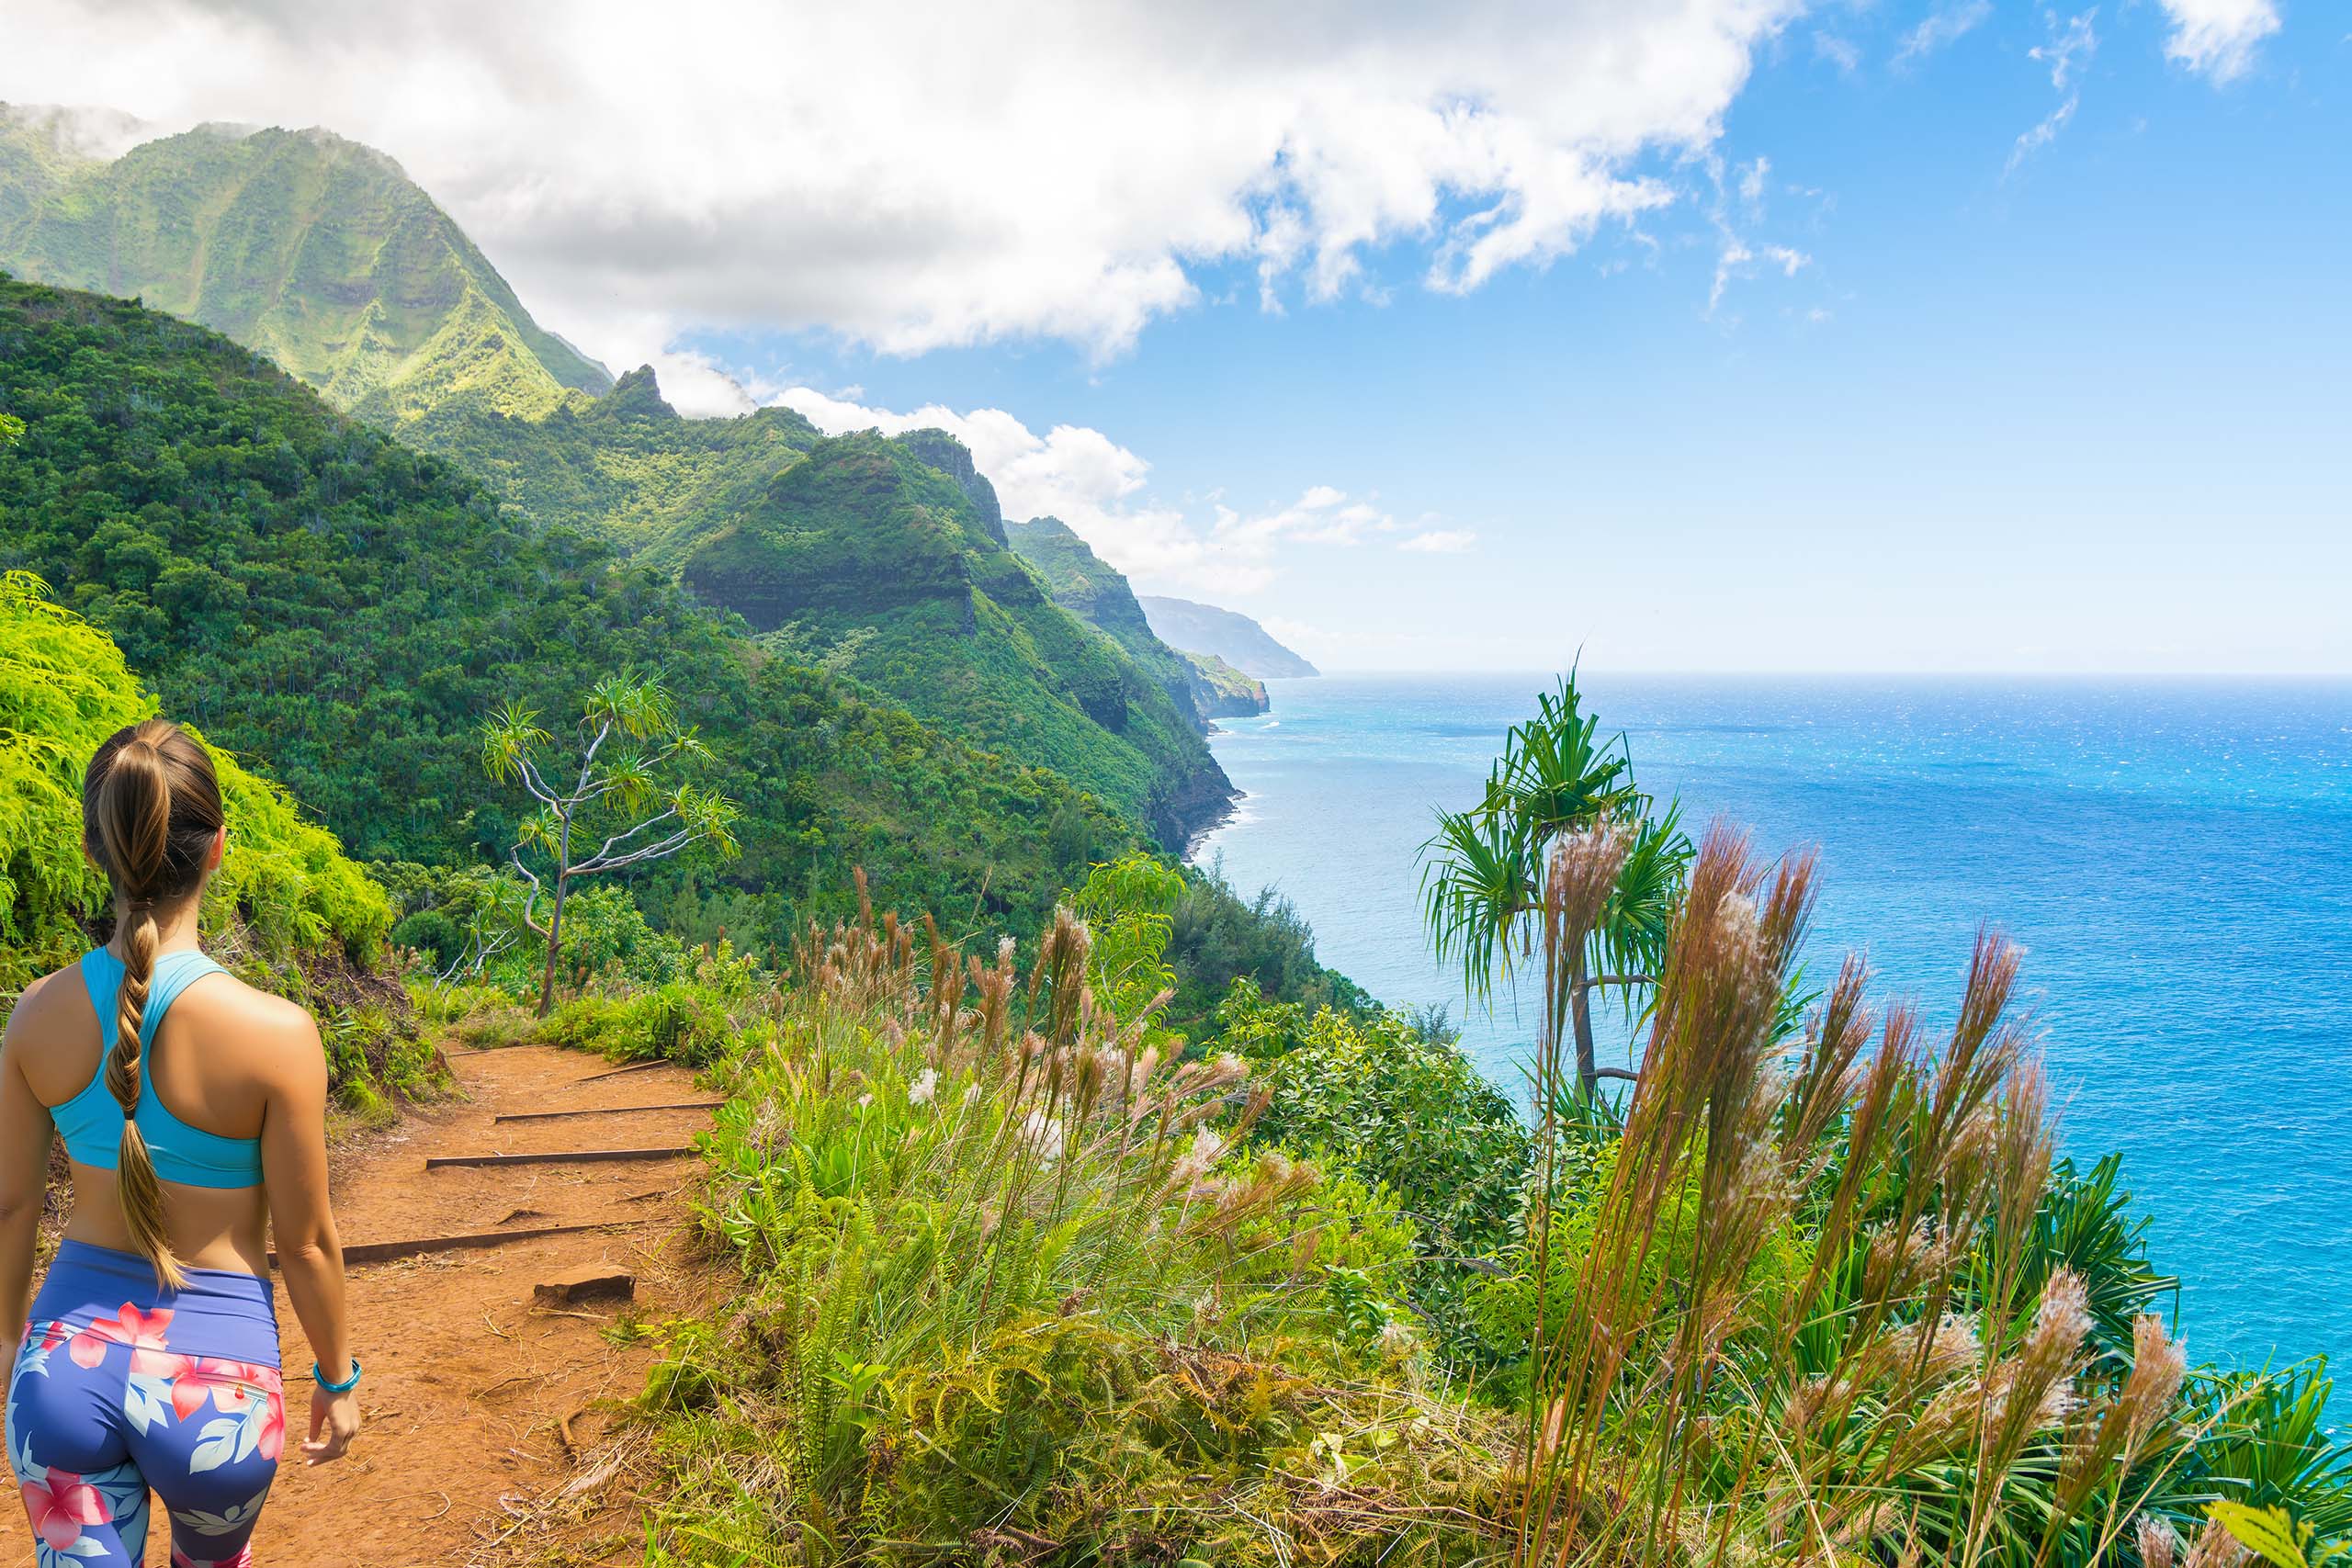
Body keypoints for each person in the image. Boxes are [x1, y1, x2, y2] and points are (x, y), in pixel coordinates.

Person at [2, 719, 361, 1567]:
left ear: (94, 851)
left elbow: (12, 1204)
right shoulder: (279, 1034)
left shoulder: (36, 1016)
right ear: (217, 852)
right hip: (218, 1391)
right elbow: (305, 1242)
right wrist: (337, 1378)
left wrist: (8, 1343)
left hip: (63, 1366)